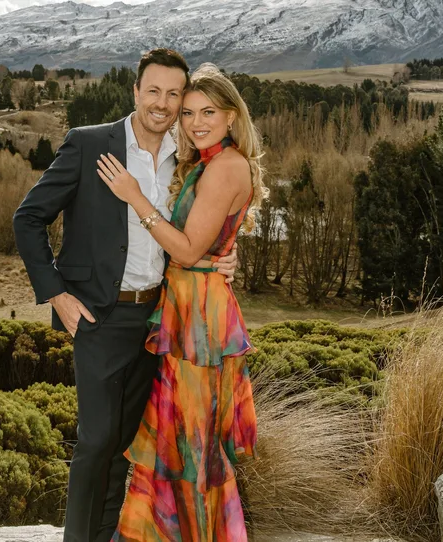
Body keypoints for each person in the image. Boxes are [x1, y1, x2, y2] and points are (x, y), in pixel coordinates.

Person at [13, 49, 238, 542]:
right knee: (96, 441)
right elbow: (27, 219)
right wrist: (56, 294)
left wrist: (223, 257)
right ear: (135, 92)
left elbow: (194, 233)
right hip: (99, 315)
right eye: (152, 90)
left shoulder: (187, 158)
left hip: (160, 318)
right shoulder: (90, 144)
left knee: (125, 445)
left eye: (173, 95)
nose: (162, 103)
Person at [96, 63, 267, 541]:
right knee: (178, 439)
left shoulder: (227, 166)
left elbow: (189, 251)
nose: (195, 122)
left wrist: (136, 198)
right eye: (188, 112)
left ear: (231, 115)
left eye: (208, 112)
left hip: (201, 320)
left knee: (192, 444)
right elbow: (207, 240)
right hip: (188, 305)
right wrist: (225, 254)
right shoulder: (207, 163)